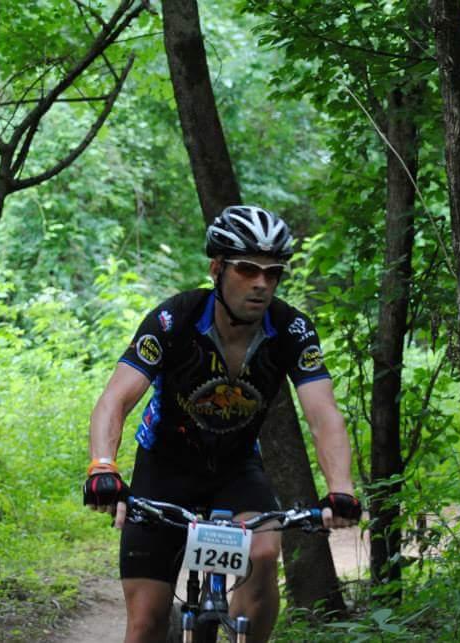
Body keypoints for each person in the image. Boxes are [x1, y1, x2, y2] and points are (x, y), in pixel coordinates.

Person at [83, 205, 361, 643]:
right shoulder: (175, 318)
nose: (261, 283)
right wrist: (103, 466)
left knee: (265, 550)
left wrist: (341, 488)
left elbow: (323, 415)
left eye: (273, 273)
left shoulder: (292, 330)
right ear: (217, 268)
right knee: (146, 623)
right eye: (247, 269)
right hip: (164, 468)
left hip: (236, 469)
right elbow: (114, 400)